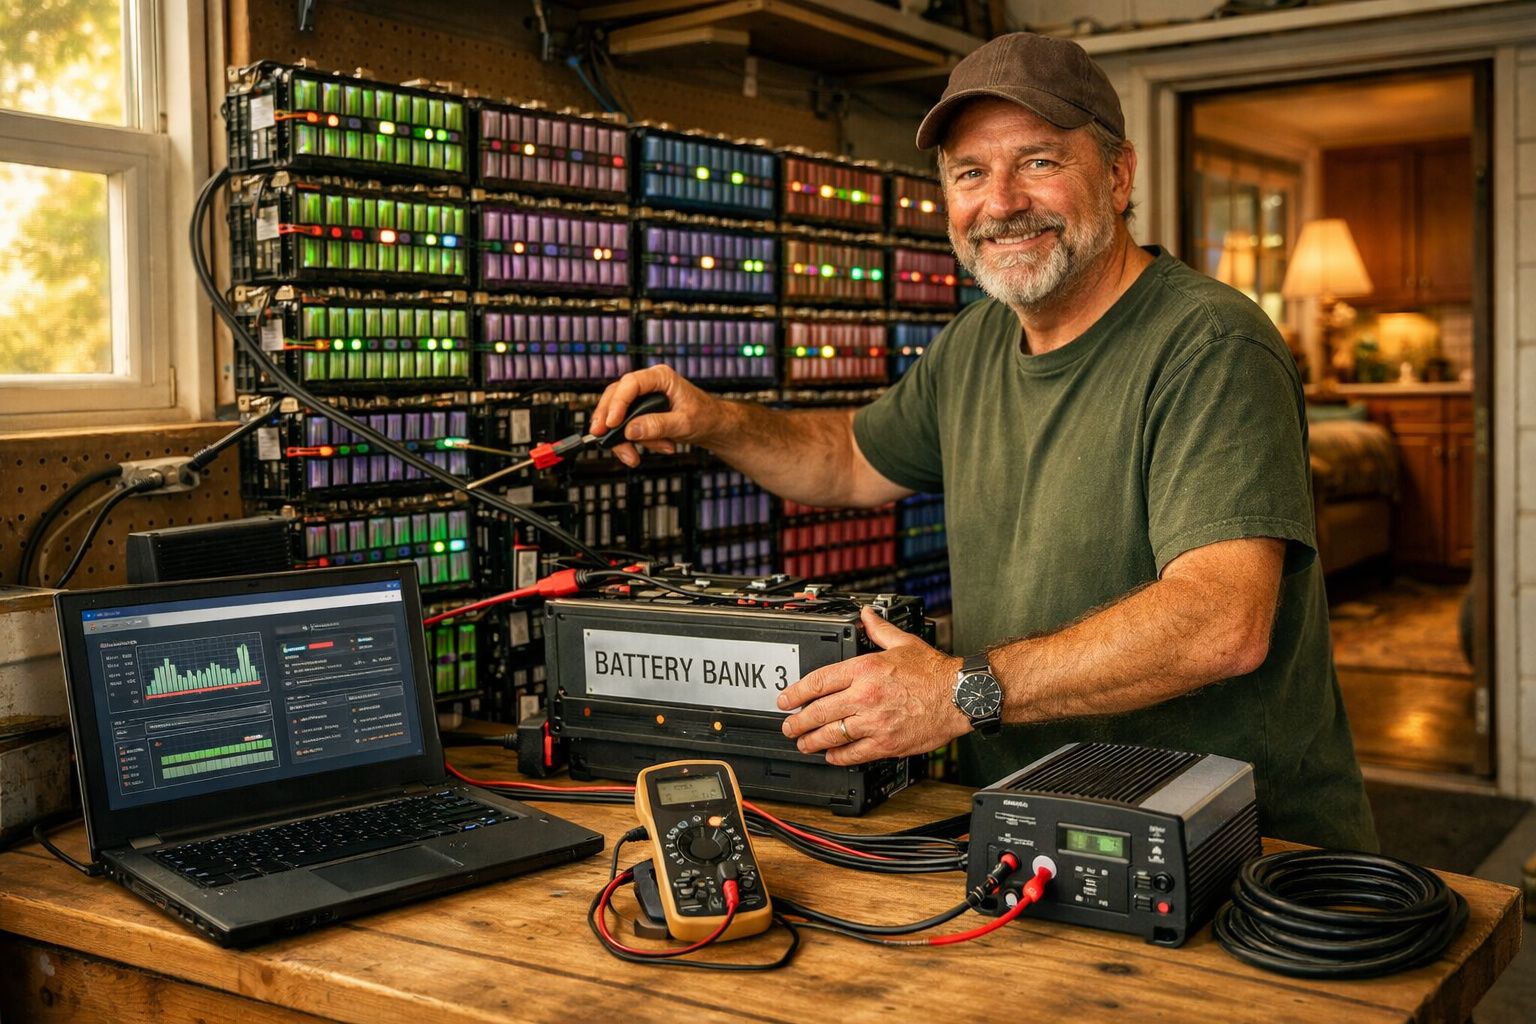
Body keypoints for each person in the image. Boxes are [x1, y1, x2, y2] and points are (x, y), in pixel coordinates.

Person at [591, 32, 1376, 851]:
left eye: (1038, 162)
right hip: (1033, 825)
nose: (1000, 202)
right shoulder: (974, 344)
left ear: (1116, 174)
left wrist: (960, 692)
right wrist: (719, 420)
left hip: (1242, 856)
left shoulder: (1212, 344)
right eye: (970, 173)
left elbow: (1222, 621)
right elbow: (850, 459)